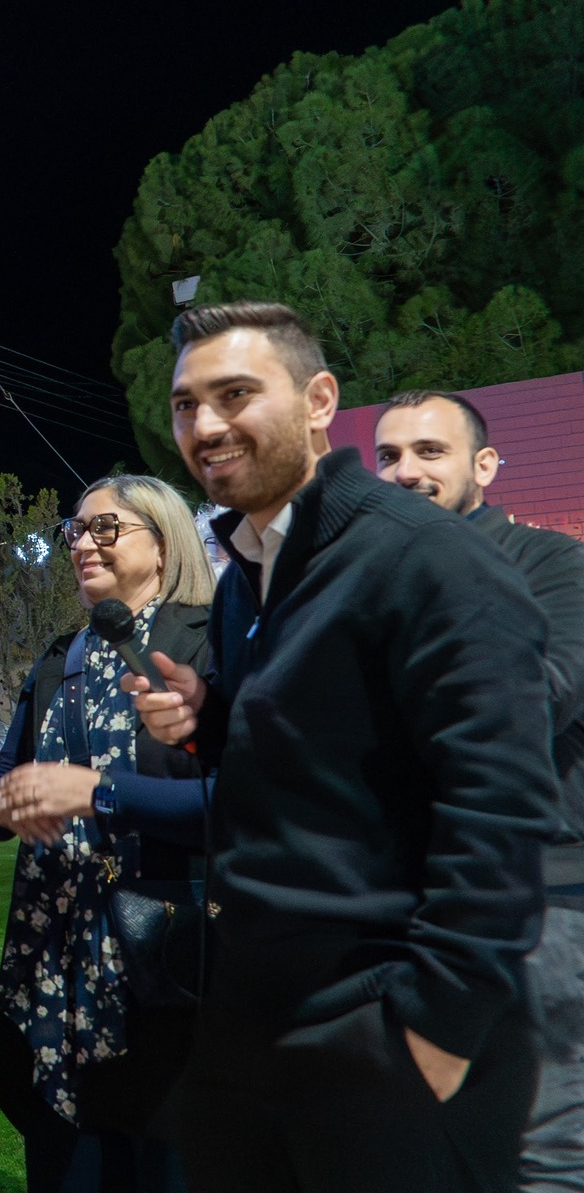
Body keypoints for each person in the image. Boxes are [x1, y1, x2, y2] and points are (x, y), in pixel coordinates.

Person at [127, 301, 558, 1192]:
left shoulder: (423, 557)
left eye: (235, 394)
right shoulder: (255, 567)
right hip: (255, 1030)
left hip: (381, 1044)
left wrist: (432, 1039)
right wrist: (215, 721)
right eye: (184, 405)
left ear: (320, 399)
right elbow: (323, 756)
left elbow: (503, 806)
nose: (205, 426)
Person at [0, 475, 216, 1192]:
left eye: (106, 528)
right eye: (76, 531)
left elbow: (236, 803)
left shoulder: (204, 647)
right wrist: (5, 802)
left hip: (165, 963)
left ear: (164, 544)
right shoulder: (59, 659)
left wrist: (99, 795)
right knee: (67, 1163)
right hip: (57, 960)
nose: (82, 543)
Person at [374, 389, 584, 1190]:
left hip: (543, 906)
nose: (405, 472)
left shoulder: (550, 563)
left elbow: (539, 701)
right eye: (389, 456)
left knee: (545, 1154)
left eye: (431, 452)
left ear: (484, 467)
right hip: (408, 906)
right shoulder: (372, 586)